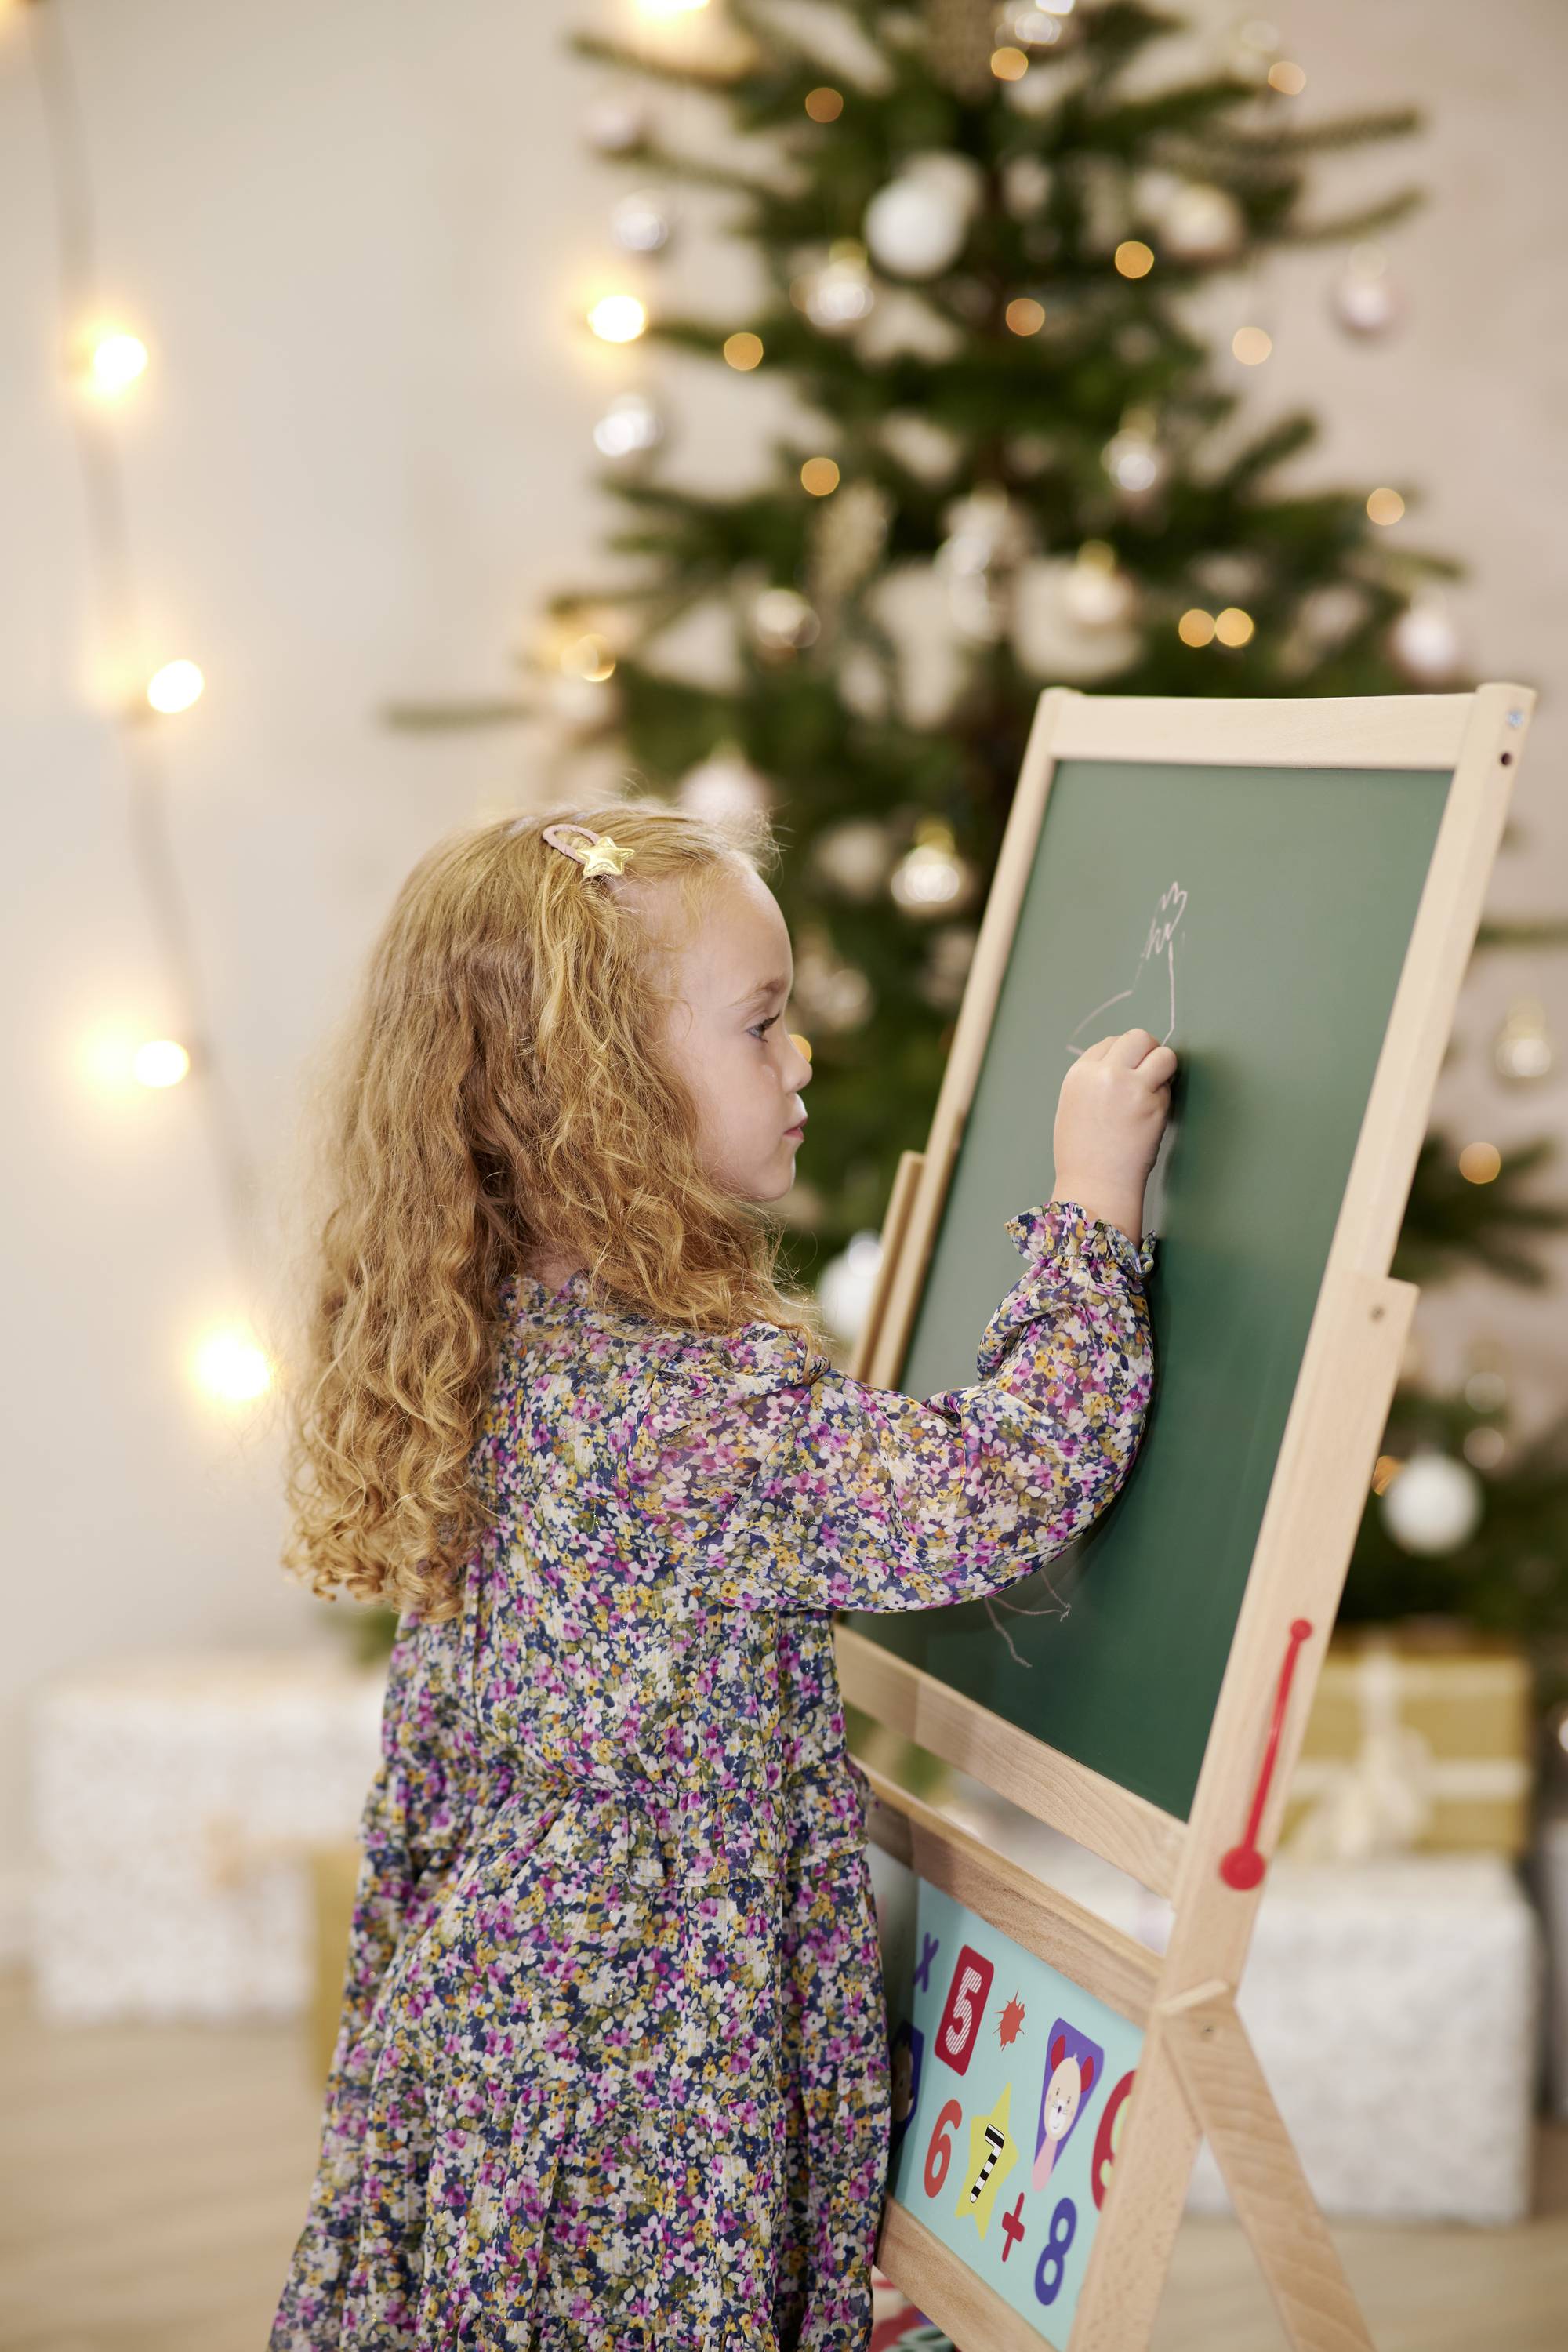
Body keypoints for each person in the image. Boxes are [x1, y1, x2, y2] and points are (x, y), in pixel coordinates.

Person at [268, 796, 1174, 2350]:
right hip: (638, 2078)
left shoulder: (492, 1339)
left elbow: (425, 1775)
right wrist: (1089, 1211)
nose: (801, 1063)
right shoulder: (687, 1408)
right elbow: (1007, 1485)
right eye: (761, 1027)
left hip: (518, 2037)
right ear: (599, 1092)